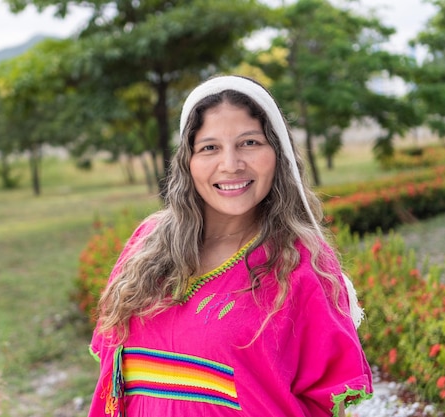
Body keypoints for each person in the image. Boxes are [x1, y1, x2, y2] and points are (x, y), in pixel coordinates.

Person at [87, 75, 373, 417]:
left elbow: (322, 400)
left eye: (249, 143)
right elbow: (114, 378)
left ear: (277, 154)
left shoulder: (302, 265)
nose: (231, 164)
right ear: (187, 162)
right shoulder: (147, 243)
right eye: (209, 147)